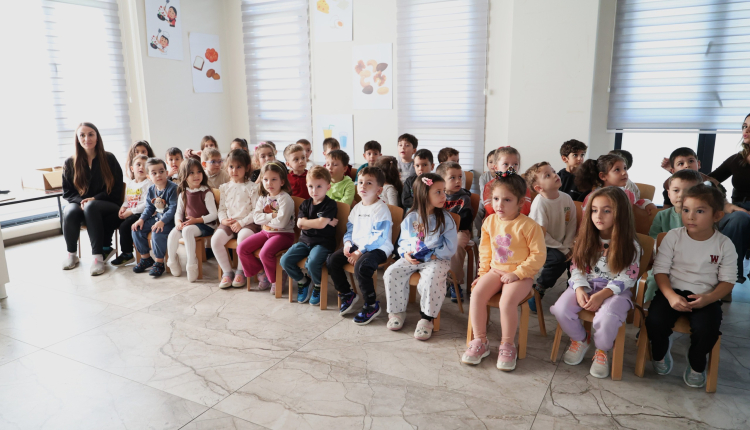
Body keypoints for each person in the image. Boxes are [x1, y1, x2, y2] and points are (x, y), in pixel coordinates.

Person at [646, 184, 737, 388]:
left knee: (707, 329)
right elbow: (660, 271)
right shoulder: (673, 236)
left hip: (706, 296)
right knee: (655, 321)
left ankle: (696, 362)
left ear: (717, 215)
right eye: (686, 210)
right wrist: (670, 296)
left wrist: (709, 298)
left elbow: (728, 280)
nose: (691, 217)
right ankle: (660, 353)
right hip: (672, 291)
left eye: (700, 211)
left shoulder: (724, 244)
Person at [549, 187, 641, 379]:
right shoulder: (584, 238)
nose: (598, 216)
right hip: (585, 285)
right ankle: (581, 340)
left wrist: (602, 295)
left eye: (607, 210)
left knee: (606, 318)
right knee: (560, 309)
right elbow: (576, 268)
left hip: (615, 292)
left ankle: (602, 350)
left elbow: (628, 277)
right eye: (594, 210)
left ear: (620, 213)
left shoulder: (631, 245)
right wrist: (579, 288)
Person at [461, 168, 545, 371]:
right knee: (477, 293)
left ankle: (507, 345)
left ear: (520, 202)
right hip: (495, 271)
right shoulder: (489, 222)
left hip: (521, 275)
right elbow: (485, 252)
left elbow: (538, 256)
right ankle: (480, 340)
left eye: (507, 200)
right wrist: (482, 275)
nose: (499, 204)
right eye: (496, 199)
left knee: (507, 302)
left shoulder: (529, 226)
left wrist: (517, 273)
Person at [384, 173, 457, 340]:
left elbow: (451, 245)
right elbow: (403, 240)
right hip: (413, 258)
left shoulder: (446, 219)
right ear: (424, 194)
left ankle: (427, 319)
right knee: (391, 272)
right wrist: (405, 253)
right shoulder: (410, 217)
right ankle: (396, 312)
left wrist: (435, 255)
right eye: (438, 192)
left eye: (444, 191)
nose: (444, 196)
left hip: (436, 259)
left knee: (431, 278)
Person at [327, 167, 393, 324]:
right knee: (332, 260)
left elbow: (379, 237)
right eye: (361, 182)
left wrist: (360, 251)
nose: (363, 186)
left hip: (378, 248)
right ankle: (347, 293)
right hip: (357, 245)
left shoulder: (381, 209)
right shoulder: (357, 208)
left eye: (369, 183)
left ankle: (371, 304)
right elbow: (350, 229)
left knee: (362, 267)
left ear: (379, 190)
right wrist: (347, 243)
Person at [61, 122, 124, 275]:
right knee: (69, 211)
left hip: (109, 204)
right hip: (81, 204)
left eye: (90, 134)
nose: (86, 138)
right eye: (82, 135)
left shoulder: (109, 158)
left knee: (91, 206)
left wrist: (94, 199)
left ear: (97, 137)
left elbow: (116, 188)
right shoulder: (70, 163)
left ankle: (98, 258)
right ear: (77, 139)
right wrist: (81, 201)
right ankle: (71, 255)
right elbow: (68, 192)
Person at [280, 166, 338, 305]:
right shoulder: (305, 204)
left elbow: (319, 225)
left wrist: (314, 223)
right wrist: (322, 222)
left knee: (312, 263)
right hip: (304, 241)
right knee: (285, 260)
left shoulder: (330, 204)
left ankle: (318, 284)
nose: (314, 190)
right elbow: (300, 224)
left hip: (323, 243)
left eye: (319, 186)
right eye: (311, 186)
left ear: (328, 187)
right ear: (307, 186)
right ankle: (303, 281)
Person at [643, 169, 703, 303]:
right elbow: (654, 240)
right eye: (676, 190)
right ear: (669, 193)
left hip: (694, 265)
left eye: (688, 191)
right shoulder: (662, 215)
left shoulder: (703, 217)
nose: (681, 195)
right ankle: (650, 306)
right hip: (665, 262)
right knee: (653, 280)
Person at [524, 162, 576, 313]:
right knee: (558, 260)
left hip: (562, 242)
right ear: (539, 188)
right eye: (547, 175)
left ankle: (571, 289)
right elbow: (541, 234)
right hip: (541, 243)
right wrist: (563, 249)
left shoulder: (566, 198)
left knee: (576, 258)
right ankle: (539, 289)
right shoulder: (539, 204)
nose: (554, 175)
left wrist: (569, 246)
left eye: (553, 171)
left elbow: (572, 224)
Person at [237, 161, 295, 295]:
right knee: (242, 248)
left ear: (282, 181)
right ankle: (262, 272)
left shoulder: (285, 199)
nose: (269, 183)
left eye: (274, 179)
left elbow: (281, 223)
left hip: (283, 235)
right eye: (266, 179)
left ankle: (276, 279)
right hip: (266, 232)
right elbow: (256, 219)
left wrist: (266, 218)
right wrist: (273, 215)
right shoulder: (263, 198)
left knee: (264, 253)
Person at [212, 149, 260, 289]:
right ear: (227, 167)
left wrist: (242, 223)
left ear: (247, 168)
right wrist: (223, 220)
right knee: (215, 240)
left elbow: (256, 211)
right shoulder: (224, 188)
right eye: (231, 167)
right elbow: (222, 209)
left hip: (248, 223)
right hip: (229, 222)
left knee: (243, 238)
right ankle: (227, 272)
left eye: (239, 167)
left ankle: (240, 271)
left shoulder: (253, 187)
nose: (234, 170)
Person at [166, 158, 218, 282]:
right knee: (173, 234)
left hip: (206, 225)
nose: (196, 175)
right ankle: (172, 260)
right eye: (191, 173)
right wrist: (178, 222)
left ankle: (191, 263)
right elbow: (178, 212)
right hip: (189, 223)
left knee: (187, 231)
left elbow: (214, 215)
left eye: (199, 171)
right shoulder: (183, 194)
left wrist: (196, 220)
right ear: (184, 176)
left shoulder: (206, 192)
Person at [131, 158, 178, 278]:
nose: (158, 175)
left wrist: (162, 221)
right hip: (158, 218)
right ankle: (145, 258)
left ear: (166, 173)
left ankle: (159, 262)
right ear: (149, 177)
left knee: (157, 231)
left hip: (170, 221)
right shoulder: (151, 189)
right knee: (136, 229)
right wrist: (141, 219)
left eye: (161, 171)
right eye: (154, 173)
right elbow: (149, 208)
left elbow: (173, 209)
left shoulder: (173, 188)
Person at [436, 161, 472, 302]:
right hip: (440, 230)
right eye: (452, 177)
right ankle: (439, 278)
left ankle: (454, 282)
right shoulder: (437, 196)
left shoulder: (464, 198)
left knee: (455, 245)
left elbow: (465, 221)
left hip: (460, 231)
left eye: (460, 177)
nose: (458, 181)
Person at [576, 154, 656, 215]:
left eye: (625, 168)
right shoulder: (593, 197)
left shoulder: (627, 193)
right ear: (603, 176)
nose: (624, 172)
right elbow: (585, 221)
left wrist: (646, 203)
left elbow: (635, 204)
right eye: (617, 170)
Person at [112, 154, 152, 267]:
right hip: (130, 211)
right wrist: (123, 208)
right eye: (138, 164)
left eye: (145, 165)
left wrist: (131, 212)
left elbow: (147, 204)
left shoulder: (149, 184)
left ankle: (127, 253)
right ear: (132, 168)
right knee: (112, 220)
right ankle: (105, 248)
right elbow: (127, 200)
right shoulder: (130, 184)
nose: (141, 167)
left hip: (142, 214)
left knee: (125, 226)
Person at [482, 146, 532, 218]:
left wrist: (512, 216)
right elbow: (489, 207)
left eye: (515, 164)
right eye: (506, 164)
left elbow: (526, 207)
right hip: (496, 219)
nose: (511, 167)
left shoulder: (522, 184)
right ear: (496, 167)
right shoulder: (490, 185)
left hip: (517, 219)